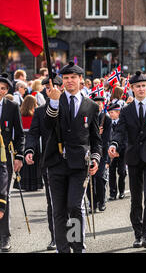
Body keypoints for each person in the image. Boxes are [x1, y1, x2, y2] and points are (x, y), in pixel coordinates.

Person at [37, 62, 102, 253]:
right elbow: (48, 125)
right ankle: (63, 248)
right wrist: (54, 103)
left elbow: (95, 139)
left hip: (79, 163)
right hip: (56, 162)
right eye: (66, 78)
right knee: (58, 210)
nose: (69, 81)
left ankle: (76, 245)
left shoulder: (90, 106)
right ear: (62, 81)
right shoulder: (55, 100)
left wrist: (96, 158)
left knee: (74, 206)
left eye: (73, 77)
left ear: (81, 79)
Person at [108, 71, 146, 249]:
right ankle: (138, 233)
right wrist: (114, 144)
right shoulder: (126, 110)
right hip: (133, 158)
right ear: (132, 88)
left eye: (143, 86)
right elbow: (120, 131)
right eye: (137, 86)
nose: (141, 89)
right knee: (136, 199)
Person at [24, 74, 63, 251]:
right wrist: (30, 150)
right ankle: (56, 237)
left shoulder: (71, 107)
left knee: (74, 204)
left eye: (53, 87)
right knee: (53, 202)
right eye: (47, 88)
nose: (50, 90)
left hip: (72, 162)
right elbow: (32, 134)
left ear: (61, 88)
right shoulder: (40, 112)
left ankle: (75, 238)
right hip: (50, 161)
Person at [0, 73, 24, 253]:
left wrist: (19, 156)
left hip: (5, 157)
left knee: (3, 196)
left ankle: (4, 236)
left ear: (7, 91)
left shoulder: (12, 106)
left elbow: (20, 134)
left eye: (3, 89)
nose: (0, 91)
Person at [88, 96, 111, 213]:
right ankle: (92, 203)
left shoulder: (106, 119)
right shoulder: (88, 116)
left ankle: (101, 201)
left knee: (99, 177)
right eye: (95, 103)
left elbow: (106, 139)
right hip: (89, 152)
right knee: (89, 179)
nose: (98, 105)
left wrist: (98, 134)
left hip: (102, 152)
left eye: (100, 103)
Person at [15, 95, 41, 192]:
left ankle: (23, 183)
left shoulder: (20, 115)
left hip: (23, 140)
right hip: (33, 140)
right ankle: (34, 184)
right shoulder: (35, 115)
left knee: (24, 164)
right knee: (34, 163)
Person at [107, 104, 127, 201]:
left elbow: (125, 139)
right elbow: (107, 139)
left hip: (121, 152)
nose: (110, 115)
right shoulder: (108, 123)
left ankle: (122, 191)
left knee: (121, 172)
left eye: (112, 112)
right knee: (111, 172)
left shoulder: (123, 123)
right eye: (109, 113)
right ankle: (112, 193)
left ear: (118, 112)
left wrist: (119, 151)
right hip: (111, 152)